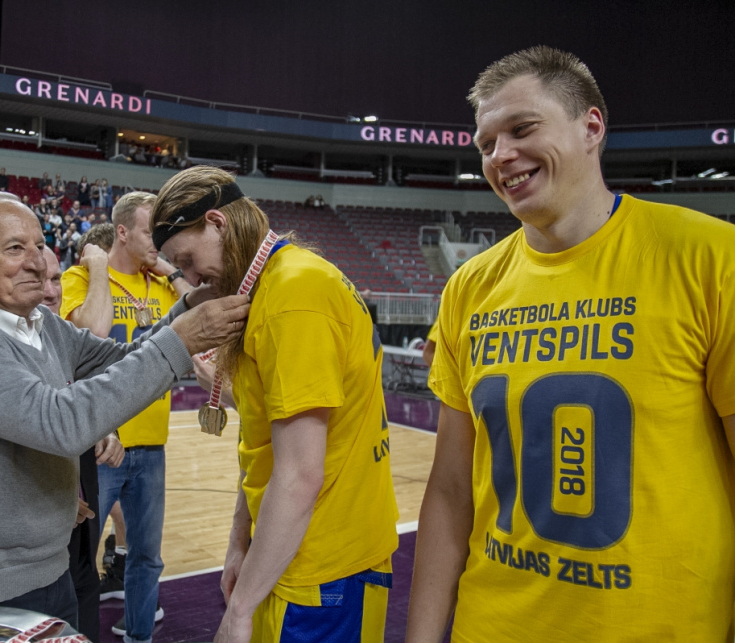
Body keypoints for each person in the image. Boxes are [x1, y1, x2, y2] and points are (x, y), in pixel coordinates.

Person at [404, 46, 735, 643]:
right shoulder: (469, 288)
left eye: (522, 129)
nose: (500, 155)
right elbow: (451, 491)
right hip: (491, 627)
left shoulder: (711, 259)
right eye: (485, 144)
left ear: (591, 127)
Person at [0, 191, 249, 629]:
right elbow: (59, 423)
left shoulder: (40, 324)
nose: (36, 262)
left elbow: (122, 357)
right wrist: (182, 341)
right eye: (15, 248)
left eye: (39, 245)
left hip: (49, 570)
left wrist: (188, 308)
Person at [152, 167, 398, 643]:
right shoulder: (274, 284)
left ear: (217, 223)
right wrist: (239, 542)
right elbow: (266, 441)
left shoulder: (292, 293)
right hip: (292, 550)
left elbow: (300, 473)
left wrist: (239, 610)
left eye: (187, 260)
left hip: (324, 567)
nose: (190, 279)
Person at [61, 192, 192, 642]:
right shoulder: (80, 277)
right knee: (79, 560)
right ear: (121, 232)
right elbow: (91, 332)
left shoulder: (163, 285)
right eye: (150, 230)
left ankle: (139, 636)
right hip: (101, 444)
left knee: (146, 558)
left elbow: (203, 313)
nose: (160, 239)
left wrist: (172, 273)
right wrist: (100, 269)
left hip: (152, 445)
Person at [42, 243, 123, 641]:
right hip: (33, 546)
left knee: (83, 600)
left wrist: (105, 428)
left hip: (79, 532)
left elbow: (88, 388)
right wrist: (52, 496)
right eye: (38, 278)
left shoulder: (60, 337)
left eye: (55, 278)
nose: (50, 290)